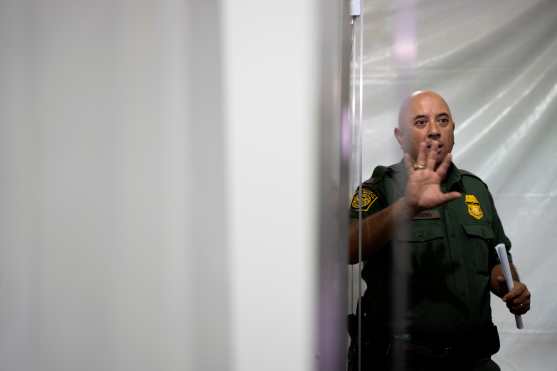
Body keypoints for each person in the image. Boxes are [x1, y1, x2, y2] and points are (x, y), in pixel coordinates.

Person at [347, 90, 531, 371]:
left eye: (442, 120)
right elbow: (347, 248)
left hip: (472, 359)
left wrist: (510, 285)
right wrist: (408, 205)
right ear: (400, 136)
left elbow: (496, 259)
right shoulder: (378, 188)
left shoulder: (475, 190)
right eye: (421, 122)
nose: (434, 130)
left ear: (453, 130)